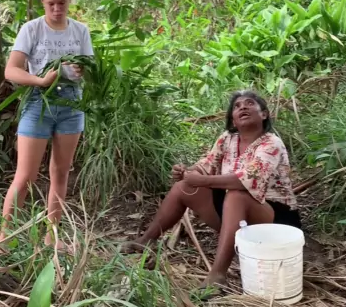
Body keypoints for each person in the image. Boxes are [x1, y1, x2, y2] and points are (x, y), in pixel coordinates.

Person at [124, 90, 301, 287]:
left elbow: (246, 180)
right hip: (236, 214)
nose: (242, 107)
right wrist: (187, 172)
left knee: (237, 195)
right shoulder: (227, 139)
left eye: (250, 103)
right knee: (184, 187)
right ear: (233, 120)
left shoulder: (271, 143)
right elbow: (206, 165)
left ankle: (217, 275)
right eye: (237, 106)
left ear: (264, 114)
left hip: (276, 220)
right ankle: (146, 240)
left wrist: (201, 180)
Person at [0, 0, 93, 246]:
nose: (57, 9)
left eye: (62, 3)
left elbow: (90, 69)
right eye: (51, 4)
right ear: (43, 3)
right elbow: (11, 70)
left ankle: (52, 236)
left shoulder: (80, 31)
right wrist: (40, 80)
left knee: (61, 172)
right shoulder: (32, 29)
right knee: (26, 175)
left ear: (69, 0)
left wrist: (82, 70)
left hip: (72, 104)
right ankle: (4, 237)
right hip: (39, 101)